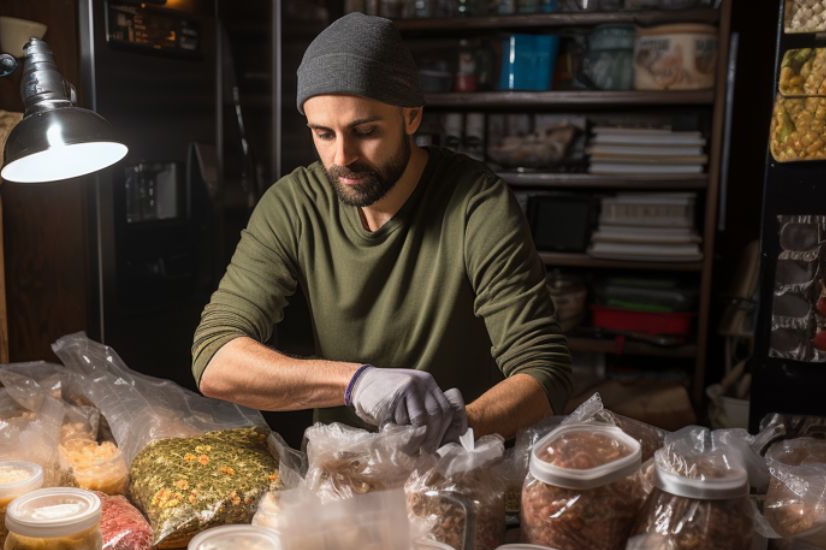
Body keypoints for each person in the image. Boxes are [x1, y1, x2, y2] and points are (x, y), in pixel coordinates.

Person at [191, 12, 570, 450]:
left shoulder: (476, 204)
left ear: (411, 117)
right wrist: (354, 382)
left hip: (458, 473)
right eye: (323, 134)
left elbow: (545, 371)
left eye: (365, 131)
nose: (341, 157)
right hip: (342, 477)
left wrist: (461, 425)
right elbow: (215, 359)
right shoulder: (293, 205)